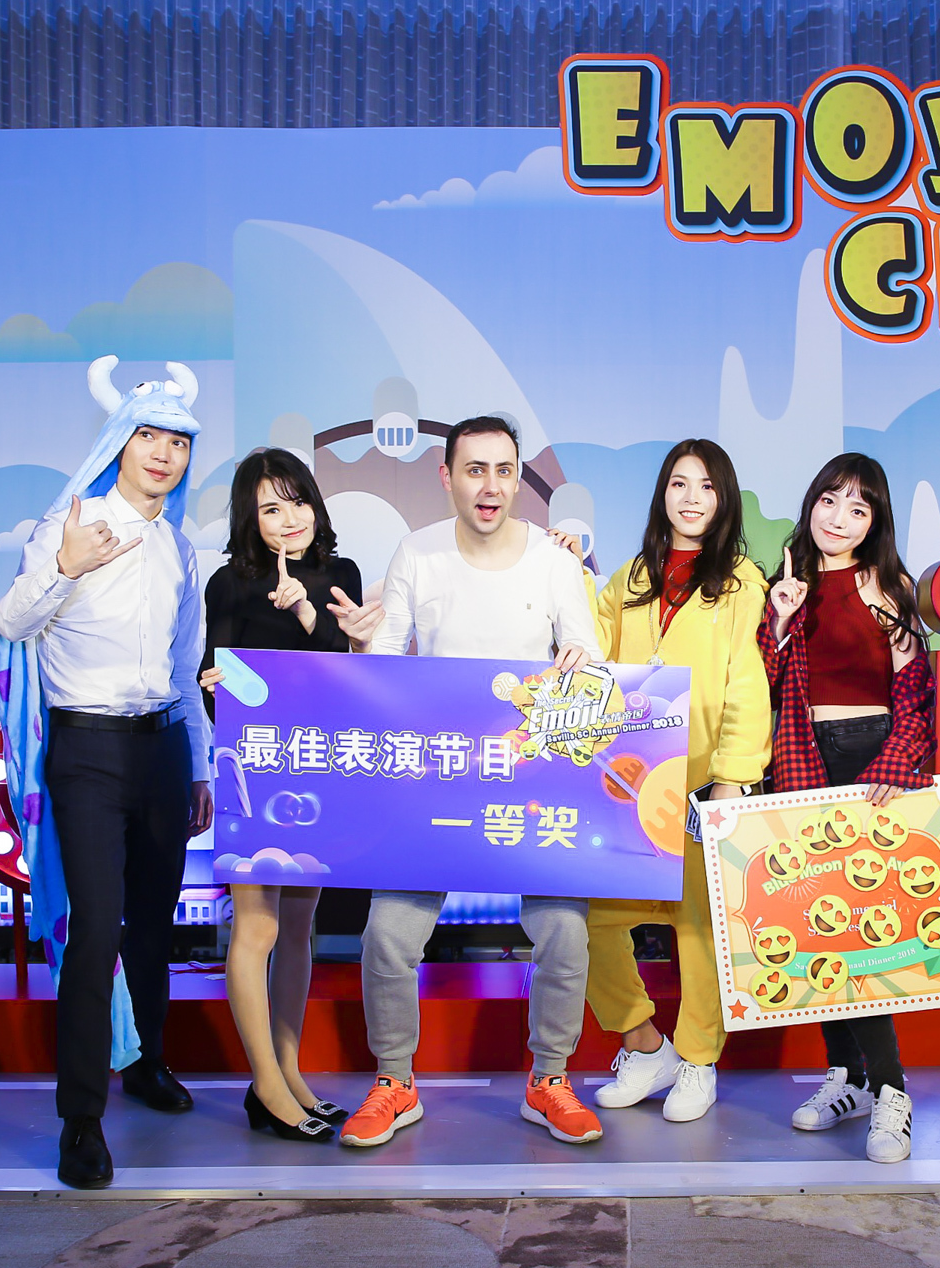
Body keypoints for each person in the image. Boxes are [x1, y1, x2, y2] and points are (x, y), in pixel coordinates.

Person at [325, 415, 605, 1148]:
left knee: (565, 931)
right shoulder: (417, 552)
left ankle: (550, 1080)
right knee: (387, 934)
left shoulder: (553, 560)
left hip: (533, 775)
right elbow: (387, 661)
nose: (491, 486)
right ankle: (395, 1082)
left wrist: (578, 661)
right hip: (439, 776)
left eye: (504, 470)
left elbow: (588, 652)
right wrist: (363, 647)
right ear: (447, 476)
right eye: (475, 469)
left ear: (518, 480)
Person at [0, 357, 214, 1190]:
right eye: (148, 436)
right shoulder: (70, 523)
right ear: (119, 442)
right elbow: (11, 620)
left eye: (178, 442)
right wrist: (68, 564)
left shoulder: (179, 547)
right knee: (95, 930)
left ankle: (148, 1063)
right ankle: (81, 1120)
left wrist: (198, 766)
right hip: (85, 750)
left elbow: (185, 669)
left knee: (155, 924)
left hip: (162, 749)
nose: (163, 454)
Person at [557, 439, 771, 1123]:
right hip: (632, 786)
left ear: (723, 498)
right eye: (679, 484)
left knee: (702, 935)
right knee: (593, 922)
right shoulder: (632, 576)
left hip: (703, 787)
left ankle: (699, 1060)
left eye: (706, 486)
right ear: (663, 494)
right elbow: (592, 652)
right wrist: (571, 575)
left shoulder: (741, 582)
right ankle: (645, 1045)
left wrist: (733, 778)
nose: (691, 498)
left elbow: (746, 682)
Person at [757, 452, 934, 1164]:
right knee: (816, 928)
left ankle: (892, 1091)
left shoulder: (888, 586)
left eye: (858, 508)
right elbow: (762, 686)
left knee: (863, 935)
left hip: (870, 762)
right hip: (799, 758)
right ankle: (849, 1078)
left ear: (874, 523)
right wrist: (779, 619)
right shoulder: (784, 585)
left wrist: (894, 762)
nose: (839, 518)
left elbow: (916, 694)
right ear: (811, 504)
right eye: (829, 501)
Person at [198, 448, 361, 1143]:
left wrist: (304, 610)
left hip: (317, 770)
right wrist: (215, 685)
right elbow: (217, 684)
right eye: (270, 508)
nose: (289, 518)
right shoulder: (228, 583)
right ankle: (264, 1083)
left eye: (297, 502)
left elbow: (342, 671)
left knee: (300, 928)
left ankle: (290, 1074)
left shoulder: (341, 575)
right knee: (256, 928)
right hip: (253, 773)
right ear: (250, 519)